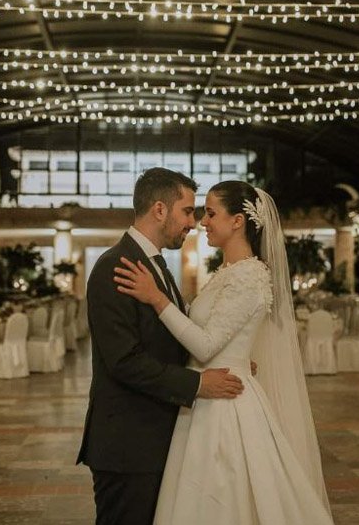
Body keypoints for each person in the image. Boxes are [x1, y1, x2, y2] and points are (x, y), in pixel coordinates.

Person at [114, 181, 333, 525]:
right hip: (205, 396)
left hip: (225, 407)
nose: (202, 221)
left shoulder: (249, 276)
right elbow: (214, 333)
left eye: (211, 213)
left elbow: (204, 344)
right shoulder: (227, 273)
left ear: (237, 222)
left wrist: (156, 298)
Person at [77, 168, 247, 525]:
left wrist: (233, 360)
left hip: (156, 439)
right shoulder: (114, 267)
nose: (194, 222)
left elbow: (170, 340)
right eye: (187, 211)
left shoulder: (156, 266)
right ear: (159, 210)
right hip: (128, 445)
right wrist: (199, 384)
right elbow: (125, 361)